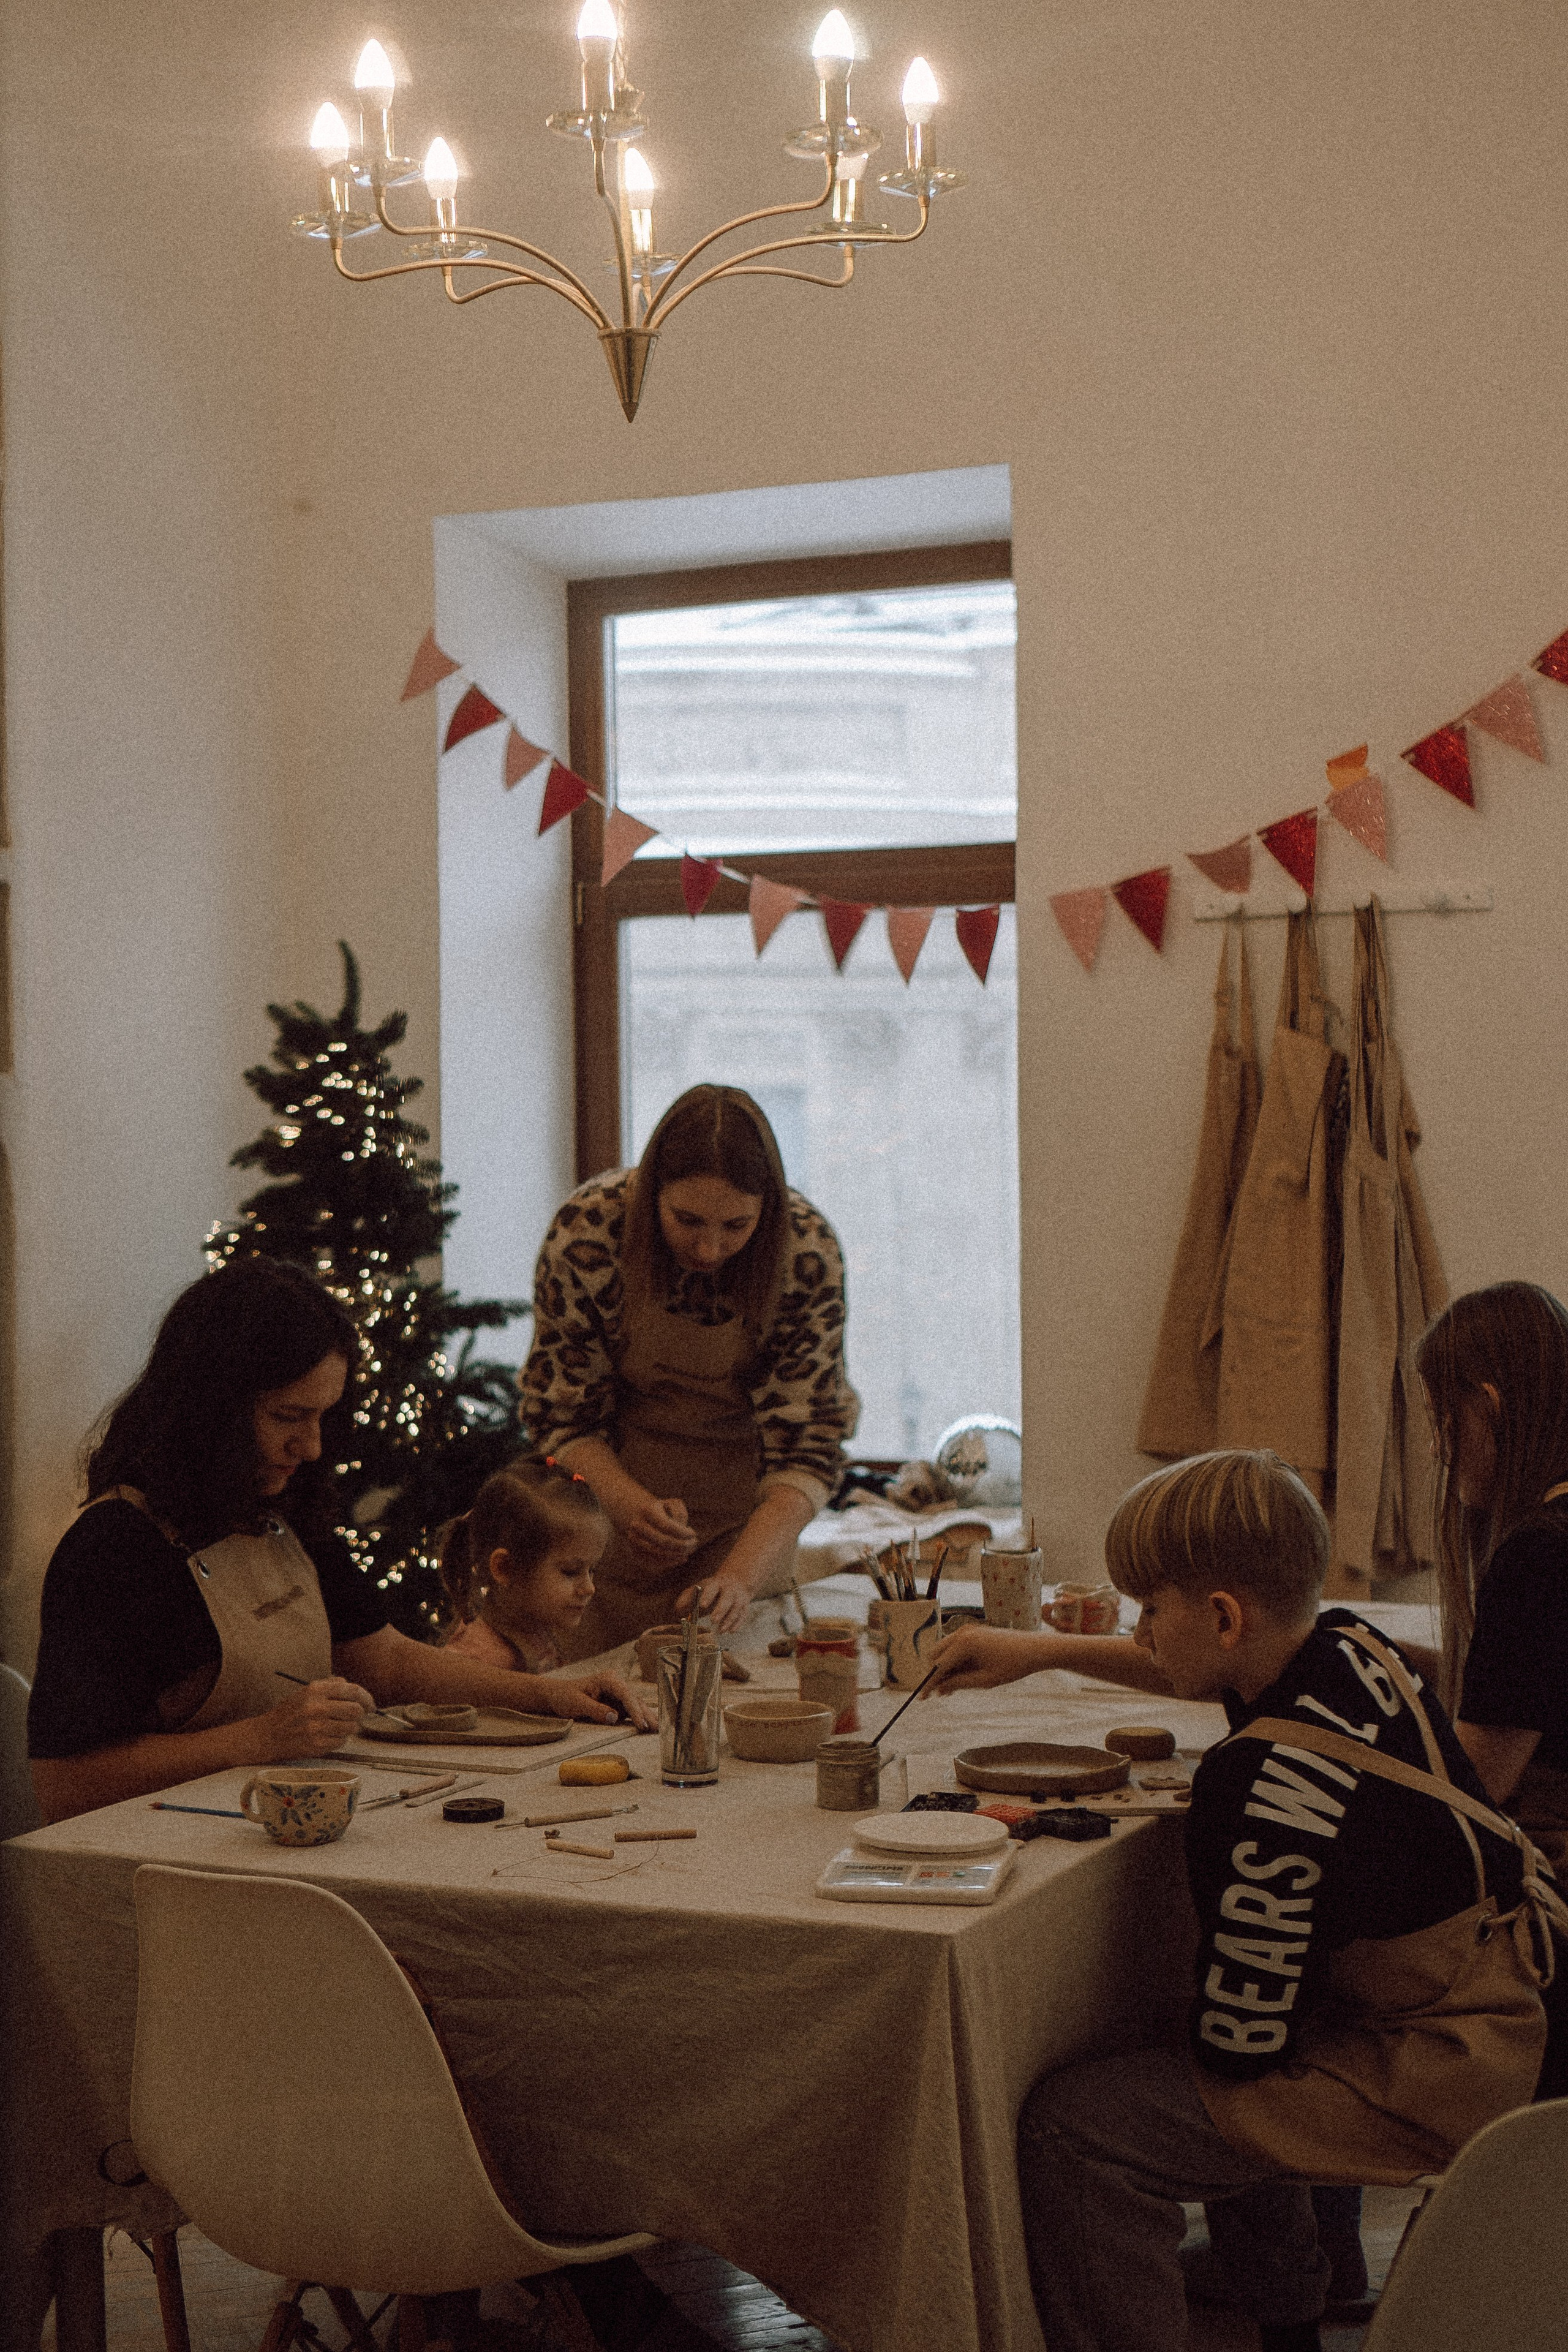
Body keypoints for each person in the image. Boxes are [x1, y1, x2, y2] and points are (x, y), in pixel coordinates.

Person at [925, 1449, 1555, 2352]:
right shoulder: (1349, 1647)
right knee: (1224, 2045)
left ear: (1222, 1615)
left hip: (1437, 2068)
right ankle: (1287, 2323)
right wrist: (1039, 1653)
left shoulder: (1255, 1785)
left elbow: (1244, 2045)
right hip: (1507, 2002)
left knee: (1081, 2127)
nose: (1140, 1632)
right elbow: (1201, 1667)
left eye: (1149, 1608)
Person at [27, 1259, 649, 1825]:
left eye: (322, 1417)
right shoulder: (113, 1548)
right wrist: (258, 1739)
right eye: (287, 1418)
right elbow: (64, 1785)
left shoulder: (281, 1507)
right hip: (158, 1857)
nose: (313, 1448)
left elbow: (384, 1660)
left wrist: (549, 1695)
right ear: (211, 1407)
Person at [521, 1085, 859, 1655]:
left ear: (767, 1211)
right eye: (687, 1220)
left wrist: (739, 1579)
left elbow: (808, 1448)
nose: (708, 1249)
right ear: (651, 1192)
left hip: (745, 1530)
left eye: (735, 1226)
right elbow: (562, 1417)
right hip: (602, 1530)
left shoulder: (804, 1251)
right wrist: (631, 1507)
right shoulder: (590, 1230)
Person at [1412, 1278, 1568, 2100]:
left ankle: (1314, 2224)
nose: (1438, 1450)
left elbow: (1479, 1783)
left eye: (1442, 1420)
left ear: (1488, 1406)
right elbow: (1521, 1683)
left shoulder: (1538, 1554)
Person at [439, 1458, 610, 1673]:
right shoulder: (477, 1662)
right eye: (570, 1571)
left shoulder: (535, 1628)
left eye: (591, 1570)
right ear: (505, 1568)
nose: (589, 1588)